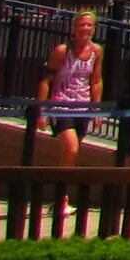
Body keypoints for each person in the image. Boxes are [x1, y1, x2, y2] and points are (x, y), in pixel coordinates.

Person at [37, 10, 102, 166]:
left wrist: (96, 108)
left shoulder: (96, 51)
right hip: (61, 104)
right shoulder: (62, 51)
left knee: (70, 155)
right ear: (74, 28)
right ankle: (64, 181)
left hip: (83, 106)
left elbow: (96, 81)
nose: (85, 28)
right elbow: (45, 81)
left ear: (94, 28)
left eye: (89, 25)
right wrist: (42, 112)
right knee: (71, 149)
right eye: (81, 25)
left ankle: (63, 179)